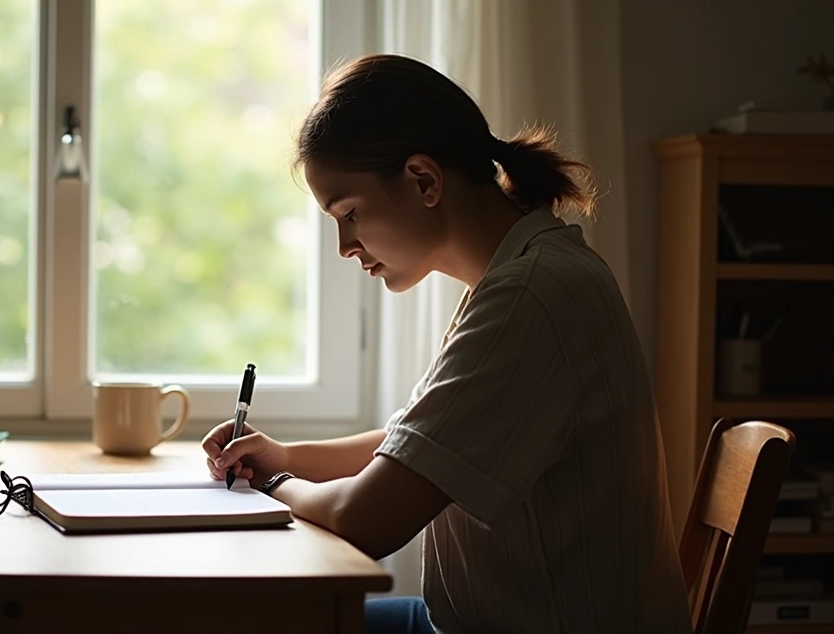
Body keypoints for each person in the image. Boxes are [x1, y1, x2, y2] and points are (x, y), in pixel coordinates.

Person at [200, 54, 693, 634]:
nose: (344, 246)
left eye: (350, 213)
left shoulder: (529, 296)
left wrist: (272, 486)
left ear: (424, 180)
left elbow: (365, 520)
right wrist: (283, 456)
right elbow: (415, 443)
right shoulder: (520, 274)